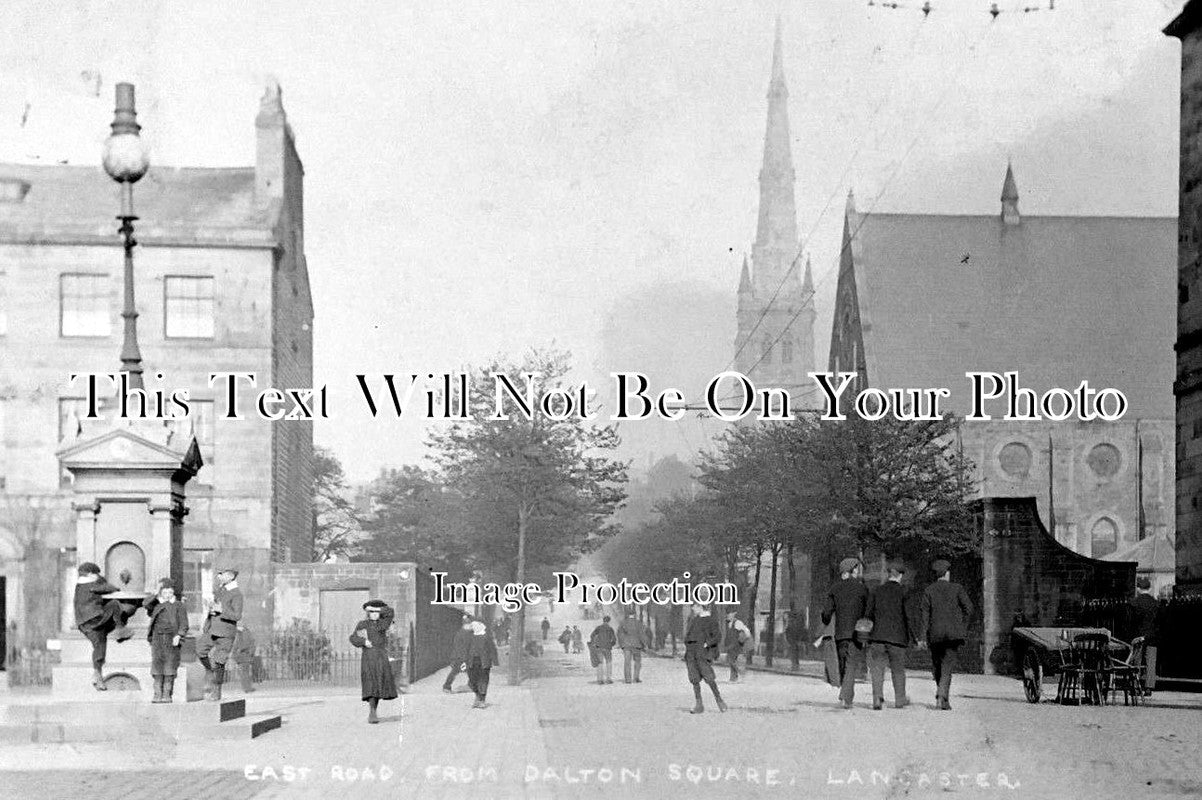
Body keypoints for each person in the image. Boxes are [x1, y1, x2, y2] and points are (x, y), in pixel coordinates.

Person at [918, 559, 973, 711]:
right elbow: (969, 608)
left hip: (935, 635)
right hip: (953, 635)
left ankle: (942, 696)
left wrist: (922, 636)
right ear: (947, 573)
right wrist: (963, 627)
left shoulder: (929, 590)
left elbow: (924, 616)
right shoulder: (957, 588)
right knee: (947, 666)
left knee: (937, 666)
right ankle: (942, 696)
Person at [74, 561, 134, 691]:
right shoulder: (91, 584)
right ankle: (120, 630)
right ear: (90, 574)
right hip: (94, 617)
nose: (98, 576)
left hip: (84, 624)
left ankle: (97, 675)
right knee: (114, 604)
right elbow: (110, 588)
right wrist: (108, 583)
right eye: (96, 574)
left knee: (100, 644)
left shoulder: (79, 586)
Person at [821, 557, 869, 709]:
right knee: (851, 664)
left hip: (840, 634)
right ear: (852, 570)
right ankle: (846, 696)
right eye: (856, 568)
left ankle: (845, 694)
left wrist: (826, 620)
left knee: (843, 664)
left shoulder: (834, 589)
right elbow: (868, 610)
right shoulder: (862, 588)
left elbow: (826, 613)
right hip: (857, 633)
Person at [866, 561, 912, 710]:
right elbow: (908, 616)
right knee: (898, 670)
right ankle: (899, 699)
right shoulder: (904, 592)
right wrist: (912, 636)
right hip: (897, 639)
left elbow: (868, 614)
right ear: (900, 576)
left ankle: (877, 698)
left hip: (877, 637)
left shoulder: (876, 590)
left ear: (888, 574)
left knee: (877, 669)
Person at [196, 568, 244, 701]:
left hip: (225, 633)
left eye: (221, 575)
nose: (219, 577)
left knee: (219, 661)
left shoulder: (237, 594)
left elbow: (237, 615)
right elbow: (216, 608)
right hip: (212, 629)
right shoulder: (221, 590)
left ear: (231, 576)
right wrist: (211, 610)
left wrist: (221, 611)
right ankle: (211, 672)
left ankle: (216, 691)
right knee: (200, 650)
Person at [349, 599, 398, 723]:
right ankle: (372, 712)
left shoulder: (382, 624)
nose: (375, 614)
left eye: (377, 612)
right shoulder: (362, 624)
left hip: (381, 657)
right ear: (368, 613)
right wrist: (363, 642)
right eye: (372, 612)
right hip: (368, 658)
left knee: (379, 684)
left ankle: (374, 711)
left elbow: (390, 612)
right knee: (371, 684)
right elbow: (353, 638)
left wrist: (378, 608)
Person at [143, 578, 188, 703]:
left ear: (173, 593)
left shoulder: (178, 605)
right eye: (165, 592)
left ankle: (167, 694)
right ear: (161, 593)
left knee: (170, 665)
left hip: (171, 638)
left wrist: (179, 635)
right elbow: (145, 603)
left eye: (170, 592)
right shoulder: (156, 605)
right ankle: (157, 694)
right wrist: (156, 592)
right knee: (157, 666)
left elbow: (184, 623)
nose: (167, 595)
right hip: (157, 639)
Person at [683, 603, 727, 714]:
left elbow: (717, 636)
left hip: (702, 654)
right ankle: (699, 705)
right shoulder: (694, 620)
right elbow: (688, 636)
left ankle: (719, 700)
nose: (692, 608)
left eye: (694, 606)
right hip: (691, 654)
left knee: (709, 678)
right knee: (694, 679)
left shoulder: (710, 620)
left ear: (700, 606)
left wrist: (707, 643)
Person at [1127, 576, 1160, 695]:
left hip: (1138, 635)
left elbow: (1131, 621)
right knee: (1150, 662)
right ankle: (1149, 687)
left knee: (1137, 661)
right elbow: (1159, 622)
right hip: (1152, 636)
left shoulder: (1134, 603)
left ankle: (1135, 686)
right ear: (1149, 588)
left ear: (1138, 588)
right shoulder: (1155, 603)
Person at [465, 620, 499, 709]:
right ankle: (477, 696)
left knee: (483, 680)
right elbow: (466, 649)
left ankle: (482, 700)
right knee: (472, 681)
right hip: (472, 662)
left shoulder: (486, 637)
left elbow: (492, 649)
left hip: (484, 662)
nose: (474, 628)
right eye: (473, 627)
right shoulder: (470, 637)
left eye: (475, 626)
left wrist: (495, 661)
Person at [617, 608, 649, 683]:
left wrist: (622, 643)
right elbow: (642, 634)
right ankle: (636, 677)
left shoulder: (623, 623)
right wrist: (645, 644)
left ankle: (628, 679)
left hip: (626, 645)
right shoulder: (638, 623)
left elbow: (619, 634)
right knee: (637, 661)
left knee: (627, 662)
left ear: (628, 615)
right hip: (636, 645)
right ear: (634, 614)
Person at [443, 614, 473, 693]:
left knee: (461, 671)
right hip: (460, 657)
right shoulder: (465, 634)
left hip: (461, 656)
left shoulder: (462, 633)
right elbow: (462, 647)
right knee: (456, 671)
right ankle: (446, 686)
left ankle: (447, 686)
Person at [723, 611, 752, 683]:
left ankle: (738, 676)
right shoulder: (729, 623)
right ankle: (734, 677)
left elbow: (746, 631)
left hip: (737, 645)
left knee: (732, 660)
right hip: (731, 645)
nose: (728, 616)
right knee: (731, 660)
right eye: (727, 615)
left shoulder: (738, 623)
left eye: (729, 614)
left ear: (733, 615)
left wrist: (743, 639)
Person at [589, 616, 617, 684]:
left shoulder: (598, 628)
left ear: (603, 620)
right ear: (609, 621)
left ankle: (600, 679)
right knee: (609, 663)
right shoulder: (610, 629)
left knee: (600, 663)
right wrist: (611, 644)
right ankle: (608, 679)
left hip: (599, 647)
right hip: (607, 648)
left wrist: (595, 643)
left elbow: (592, 635)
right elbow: (614, 639)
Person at [231, 626, 257, 694]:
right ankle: (247, 688)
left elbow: (235, 647)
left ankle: (246, 688)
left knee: (244, 673)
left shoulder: (240, 636)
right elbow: (252, 646)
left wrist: (234, 655)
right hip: (244, 657)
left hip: (242, 657)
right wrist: (251, 654)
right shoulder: (246, 636)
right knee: (245, 673)